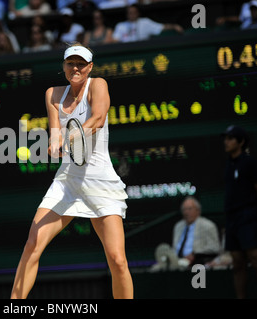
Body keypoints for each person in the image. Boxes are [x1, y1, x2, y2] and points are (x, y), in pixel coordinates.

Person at [11, 43, 133, 299]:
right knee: (32, 245)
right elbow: (55, 132)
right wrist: (55, 143)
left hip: (100, 182)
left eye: (81, 64)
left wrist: (74, 136)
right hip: (67, 180)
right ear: (64, 66)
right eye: (70, 63)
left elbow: (98, 119)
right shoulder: (53, 94)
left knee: (117, 260)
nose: (75, 68)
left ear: (90, 67)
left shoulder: (98, 85)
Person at [222, 125, 257, 299]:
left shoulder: (250, 163)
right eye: (225, 138)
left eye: (230, 138)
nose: (226, 142)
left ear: (241, 142)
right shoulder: (228, 165)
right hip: (232, 218)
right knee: (237, 263)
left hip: (248, 216)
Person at [172, 196, 221, 265]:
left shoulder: (208, 225)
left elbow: (215, 248)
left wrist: (195, 254)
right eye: (184, 209)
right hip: (177, 262)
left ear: (198, 211)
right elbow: (174, 248)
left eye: (190, 209)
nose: (186, 212)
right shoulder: (178, 226)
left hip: (198, 262)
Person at [112, 4, 183, 43]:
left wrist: (174, 26)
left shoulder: (145, 22)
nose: (132, 15)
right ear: (126, 14)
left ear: (138, 13)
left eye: (134, 12)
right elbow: (115, 40)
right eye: (130, 13)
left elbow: (161, 27)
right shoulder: (120, 25)